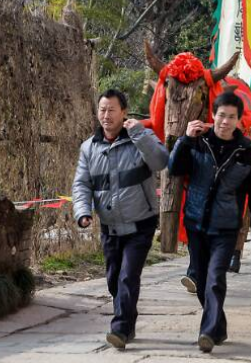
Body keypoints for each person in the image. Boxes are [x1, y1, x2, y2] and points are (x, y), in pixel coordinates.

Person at [168, 92, 251, 353]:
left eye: (231, 117)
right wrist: (185, 139)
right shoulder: (198, 142)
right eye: (221, 115)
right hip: (196, 223)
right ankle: (219, 326)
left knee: (214, 280)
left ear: (238, 120)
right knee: (201, 282)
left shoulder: (246, 150)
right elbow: (175, 168)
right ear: (213, 115)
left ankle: (208, 332)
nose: (225, 121)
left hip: (226, 227)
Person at [72, 89, 169, 350]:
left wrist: (138, 133)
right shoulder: (89, 148)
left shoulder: (141, 136)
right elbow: (82, 184)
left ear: (124, 112)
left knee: (128, 276)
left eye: (112, 110)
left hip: (141, 224)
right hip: (110, 226)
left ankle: (120, 329)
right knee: (114, 279)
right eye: (102, 110)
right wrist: (82, 212)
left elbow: (161, 161)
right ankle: (128, 320)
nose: (106, 115)